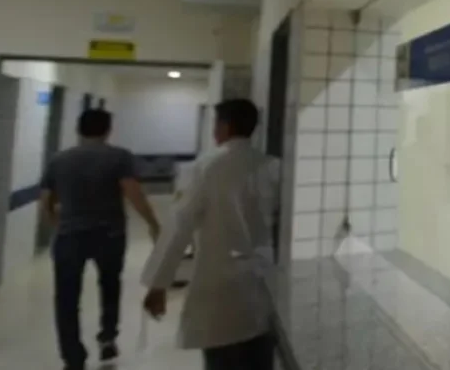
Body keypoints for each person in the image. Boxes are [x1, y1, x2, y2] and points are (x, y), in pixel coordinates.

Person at [140, 99, 276, 370]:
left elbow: (179, 228)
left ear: (224, 127)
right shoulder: (273, 166)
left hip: (219, 288)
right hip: (262, 285)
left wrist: (159, 284)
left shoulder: (205, 167)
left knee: (223, 358)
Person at [40, 108, 162, 370]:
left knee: (66, 297)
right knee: (109, 285)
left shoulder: (59, 160)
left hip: (70, 236)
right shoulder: (119, 157)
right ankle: (107, 338)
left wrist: (57, 226)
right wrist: (153, 223)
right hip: (109, 234)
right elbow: (133, 193)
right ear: (108, 130)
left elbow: (47, 201)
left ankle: (73, 356)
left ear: (78, 129)